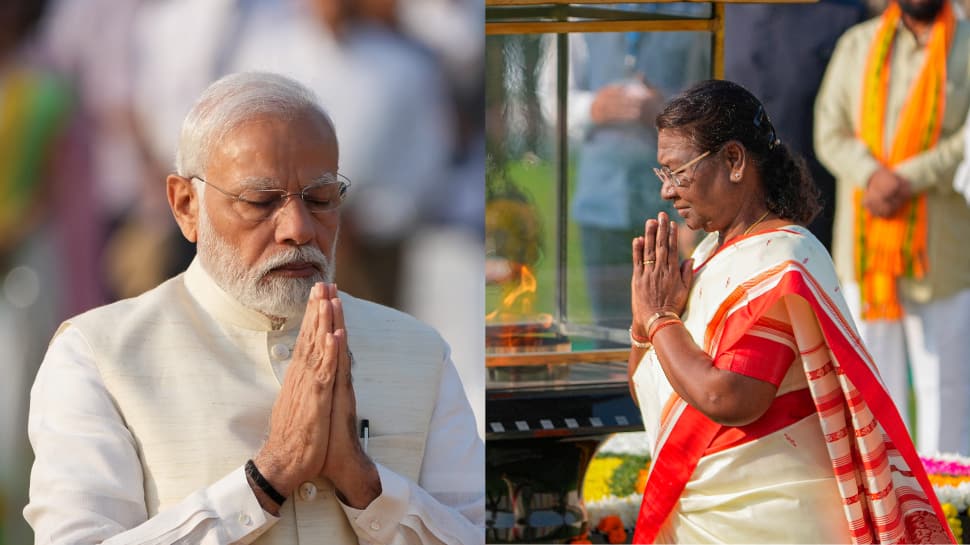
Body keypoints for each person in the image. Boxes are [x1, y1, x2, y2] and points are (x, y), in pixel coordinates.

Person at [23, 72, 484, 544]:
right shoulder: (98, 357)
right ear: (185, 205)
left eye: (321, 199)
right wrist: (268, 478)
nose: (299, 229)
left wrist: (365, 485)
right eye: (262, 202)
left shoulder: (420, 354)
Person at [628, 80, 953, 543]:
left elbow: (732, 399)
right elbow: (651, 391)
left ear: (734, 161)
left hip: (775, 523)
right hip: (700, 519)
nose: (667, 192)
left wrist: (660, 319)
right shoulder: (703, 258)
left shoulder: (782, 259)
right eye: (662, 174)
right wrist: (645, 324)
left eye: (678, 173)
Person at [814, 0, 970, 456]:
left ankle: (949, 512)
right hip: (866, 249)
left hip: (941, 254)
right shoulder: (857, 44)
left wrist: (908, 179)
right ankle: (886, 515)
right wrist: (872, 176)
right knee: (870, 393)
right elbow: (829, 129)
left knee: (946, 392)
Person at [537, 8, 709, 330]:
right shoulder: (577, 16)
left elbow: (709, 99)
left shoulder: (693, 14)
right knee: (608, 328)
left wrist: (665, 111)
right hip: (601, 202)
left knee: (673, 320)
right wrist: (593, 108)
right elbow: (551, 100)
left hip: (671, 205)